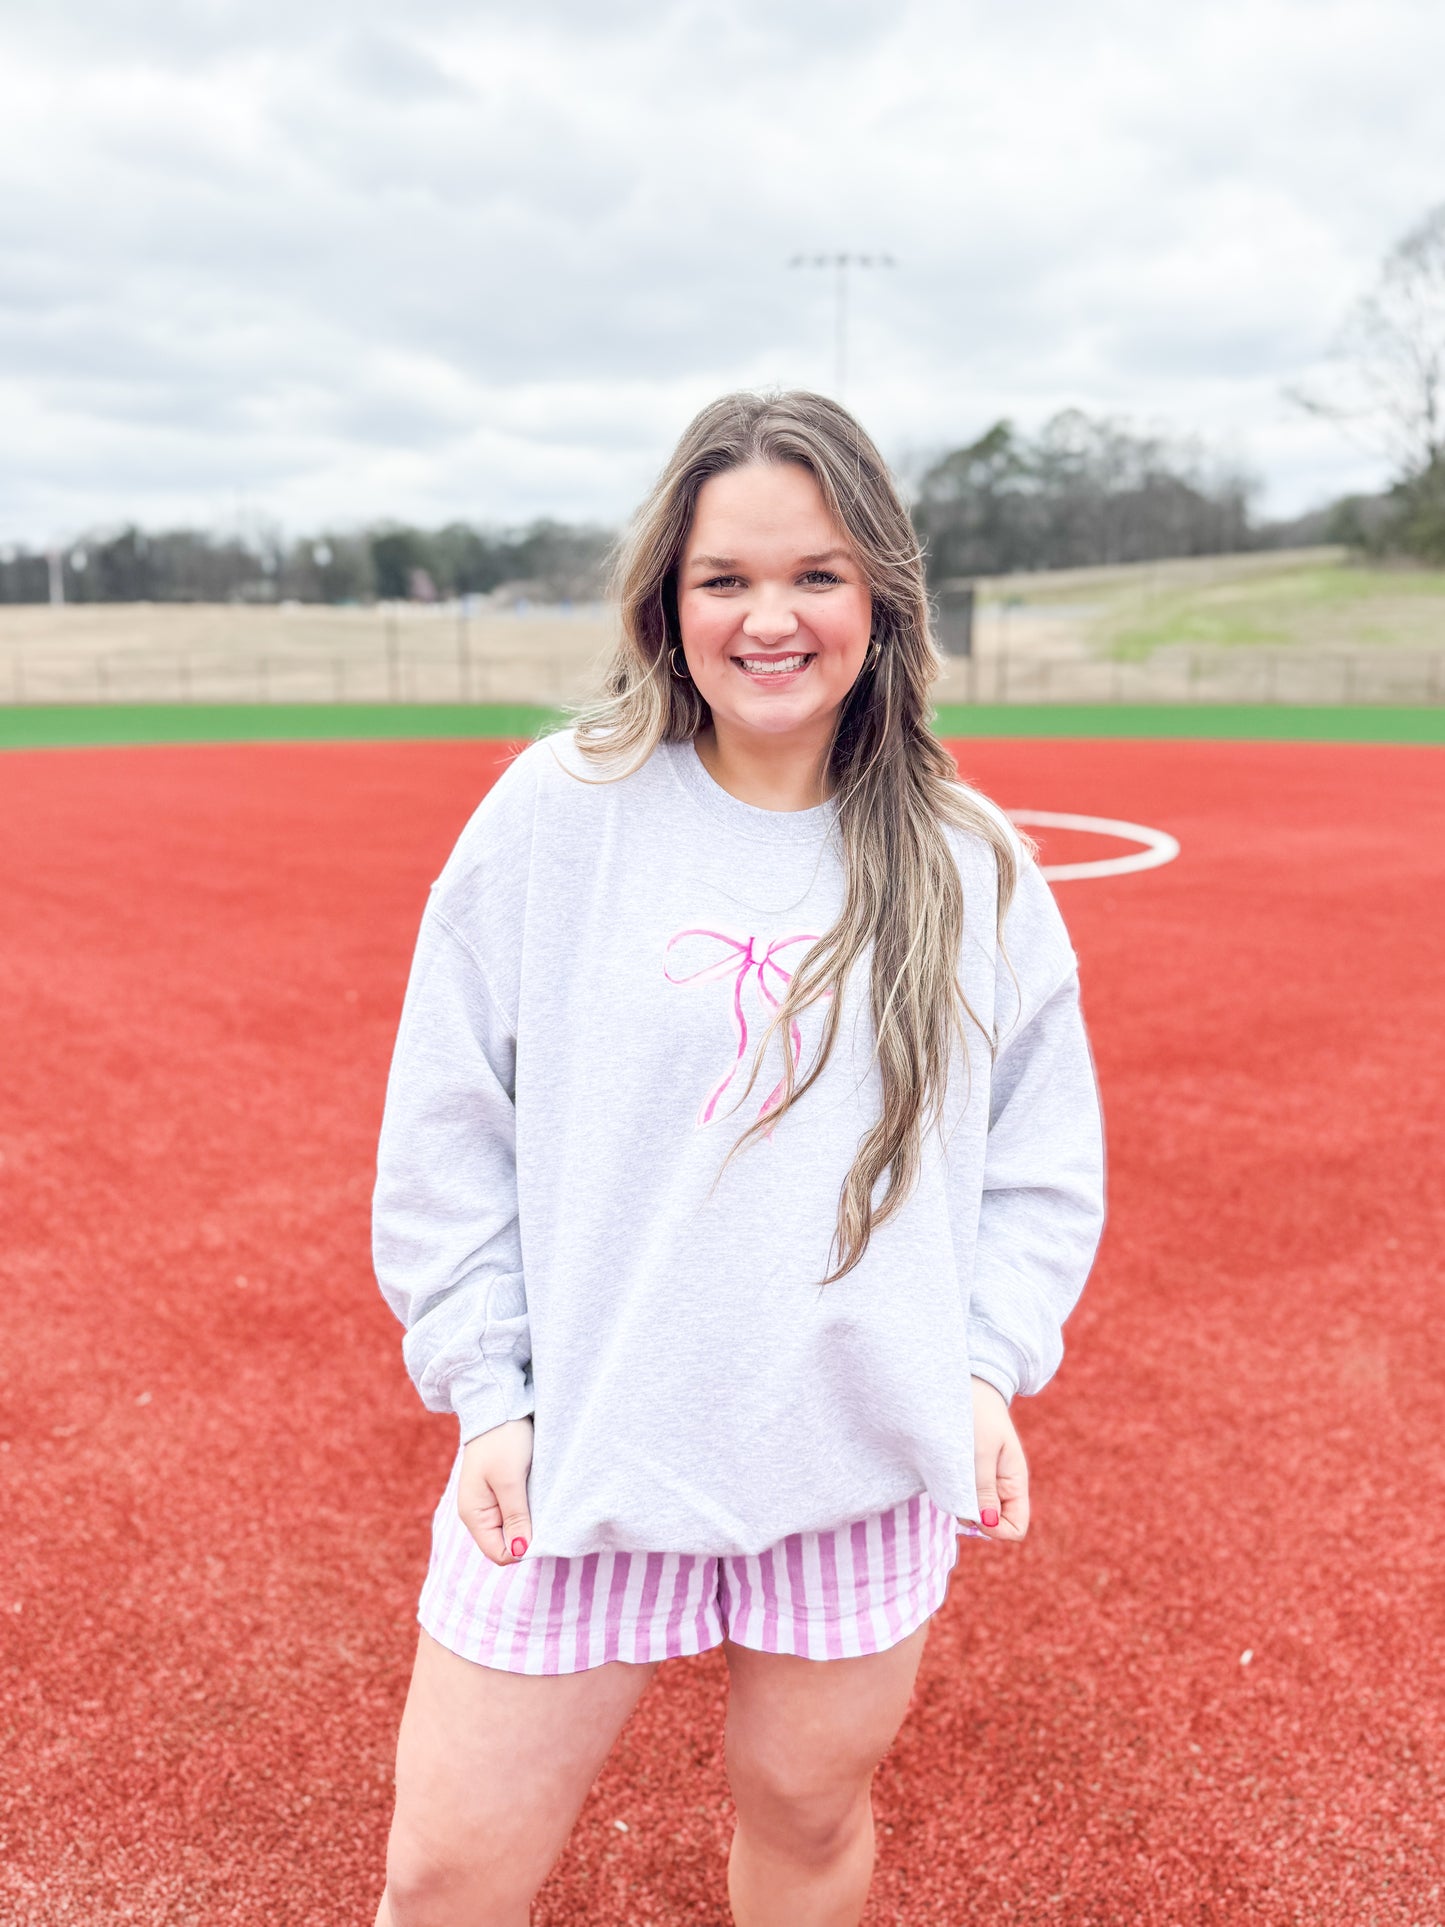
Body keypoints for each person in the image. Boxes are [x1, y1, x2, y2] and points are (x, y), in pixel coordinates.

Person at [369, 389, 1106, 1927]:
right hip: (581, 1449)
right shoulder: (558, 813)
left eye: (815, 575)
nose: (770, 619)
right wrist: (484, 1387)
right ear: (668, 600)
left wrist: (978, 1370)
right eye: (727, 580)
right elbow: (449, 1127)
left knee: (806, 1815)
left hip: (853, 1459)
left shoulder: (969, 862)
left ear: (879, 599)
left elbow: (1039, 1160)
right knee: (447, 1872)